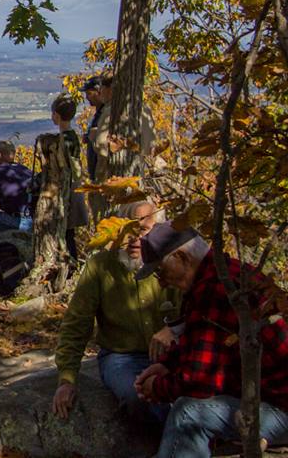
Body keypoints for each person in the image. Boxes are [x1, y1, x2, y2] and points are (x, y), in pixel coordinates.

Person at [134, 224, 288, 457]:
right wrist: (166, 365)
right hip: (266, 398)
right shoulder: (221, 274)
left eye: (161, 272)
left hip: (281, 408)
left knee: (188, 413)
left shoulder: (215, 288)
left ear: (182, 257)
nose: (162, 282)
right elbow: (202, 341)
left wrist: (156, 388)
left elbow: (200, 382)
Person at [52, 200, 180, 424]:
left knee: (190, 393)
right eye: (126, 229)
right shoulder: (100, 266)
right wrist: (66, 379)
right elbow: (76, 323)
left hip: (172, 354)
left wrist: (174, 329)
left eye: (142, 229)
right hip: (121, 357)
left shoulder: (173, 262)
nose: (133, 238)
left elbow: (199, 309)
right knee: (137, 395)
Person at [50, 93, 90, 260]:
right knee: (68, 232)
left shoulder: (63, 139)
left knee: (66, 233)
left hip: (68, 191)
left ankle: (69, 263)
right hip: (75, 187)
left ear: (56, 115)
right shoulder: (72, 136)